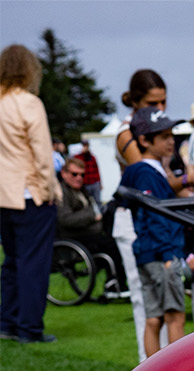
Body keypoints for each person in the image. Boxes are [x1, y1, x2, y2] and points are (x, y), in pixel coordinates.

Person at [0, 43, 59, 344]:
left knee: (11, 261)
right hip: (29, 193)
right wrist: (48, 190)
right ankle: (30, 329)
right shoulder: (28, 103)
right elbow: (42, 153)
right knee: (33, 263)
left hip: (2, 196)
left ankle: (7, 322)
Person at [120, 108, 189, 357]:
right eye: (163, 136)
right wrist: (169, 253)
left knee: (153, 318)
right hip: (162, 253)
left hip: (146, 252)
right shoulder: (146, 173)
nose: (171, 141)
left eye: (171, 135)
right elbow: (156, 216)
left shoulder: (141, 171)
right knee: (175, 317)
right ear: (144, 141)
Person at [57, 155, 125, 286]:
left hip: (89, 233)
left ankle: (117, 282)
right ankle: (115, 282)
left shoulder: (82, 191)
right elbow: (65, 220)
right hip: (74, 237)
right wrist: (92, 215)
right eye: (74, 174)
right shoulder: (61, 192)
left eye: (82, 175)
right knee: (111, 245)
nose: (79, 178)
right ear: (64, 174)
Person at [76, 138, 102, 207]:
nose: (85, 147)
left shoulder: (92, 157)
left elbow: (97, 170)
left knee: (98, 201)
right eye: (84, 145)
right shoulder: (78, 157)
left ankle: (101, 216)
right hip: (85, 183)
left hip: (94, 182)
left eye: (86, 145)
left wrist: (100, 183)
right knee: (86, 202)